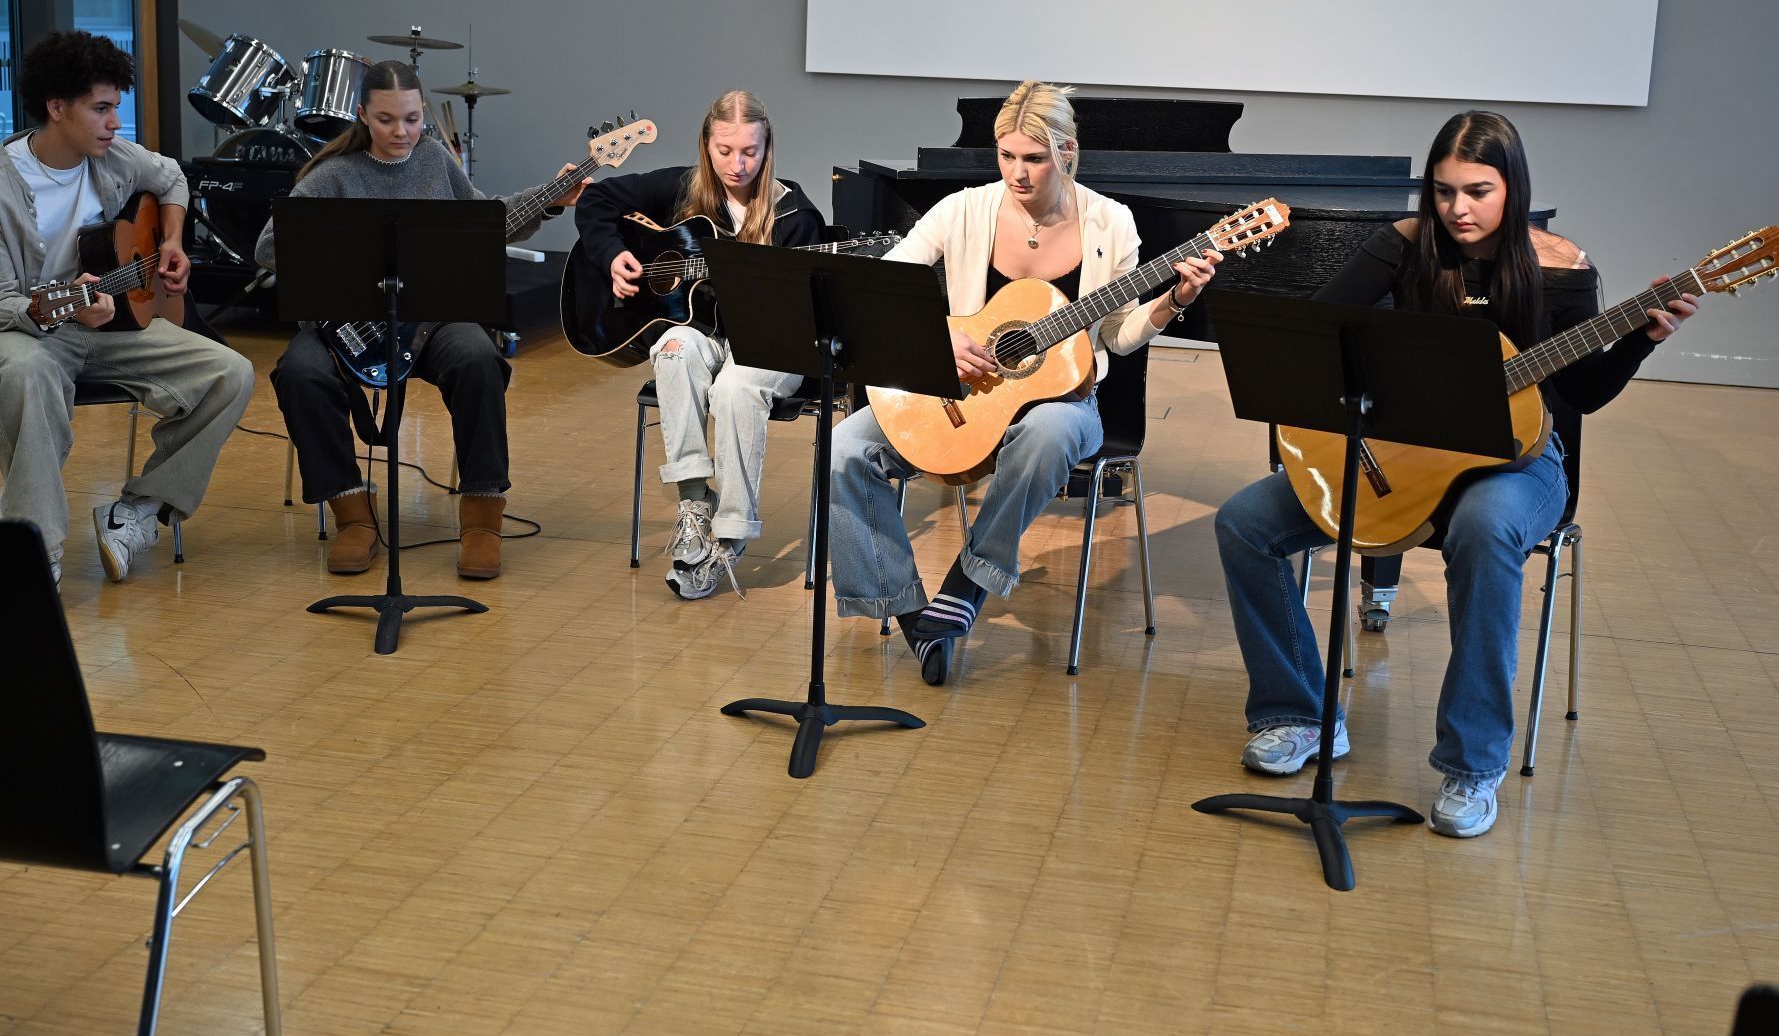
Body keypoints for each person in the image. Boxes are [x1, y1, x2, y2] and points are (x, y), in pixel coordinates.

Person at [1214, 110, 1702, 838]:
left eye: (1477, 190)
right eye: (1443, 192)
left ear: (1514, 187)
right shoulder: (1405, 246)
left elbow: (1579, 396)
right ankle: (1299, 713)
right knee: (1244, 522)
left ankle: (1471, 765)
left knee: (1482, 525)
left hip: (1522, 466)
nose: (1457, 209)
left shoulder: (1561, 264)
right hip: (1404, 457)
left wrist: (1639, 342)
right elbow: (1318, 335)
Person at [828, 81, 1220, 682]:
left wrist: (1171, 302)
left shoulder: (1110, 223)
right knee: (845, 449)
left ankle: (966, 584)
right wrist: (938, 338)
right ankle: (911, 614)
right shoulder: (964, 209)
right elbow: (882, 288)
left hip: (1065, 402)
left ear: (1067, 152)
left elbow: (1115, 335)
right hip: (956, 393)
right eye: (1007, 156)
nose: (1018, 173)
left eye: (1033, 159)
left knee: (1050, 431)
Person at [0, 29, 254, 585]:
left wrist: (171, 242)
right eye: (101, 109)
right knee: (29, 373)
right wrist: (68, 309)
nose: (115, 124)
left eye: (116, 108)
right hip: (13, 330)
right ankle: (37, 548)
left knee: (231, 372)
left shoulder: (111, 158)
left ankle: (137, 511)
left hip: (106, 325)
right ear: (56, 108)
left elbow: (172, 177)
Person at [254, 60, 585, 580]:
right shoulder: (332, 175)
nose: (402, 132)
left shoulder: (434, 158)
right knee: (299, 373)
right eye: (387, 120)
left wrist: (550, 199)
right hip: (348, 327)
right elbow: (270, 246)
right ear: (362, 115)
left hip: (431, 320)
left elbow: (484, 220)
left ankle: (481, 518)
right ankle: (353, 517)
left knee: (478, 359)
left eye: (412, 119)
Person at [573, 90, 826, 599]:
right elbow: (596, 199)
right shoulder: (682, 190)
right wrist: (613, 256)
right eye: (725, 150)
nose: (738, 164)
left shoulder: (794, 214)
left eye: (750, 152)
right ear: (706, 146)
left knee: (734, 387)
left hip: (774, 345)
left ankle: (730, 538)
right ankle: (694, 500)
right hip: (709, 335)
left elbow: (812, 311)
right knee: (673, 348)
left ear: (768, 147)